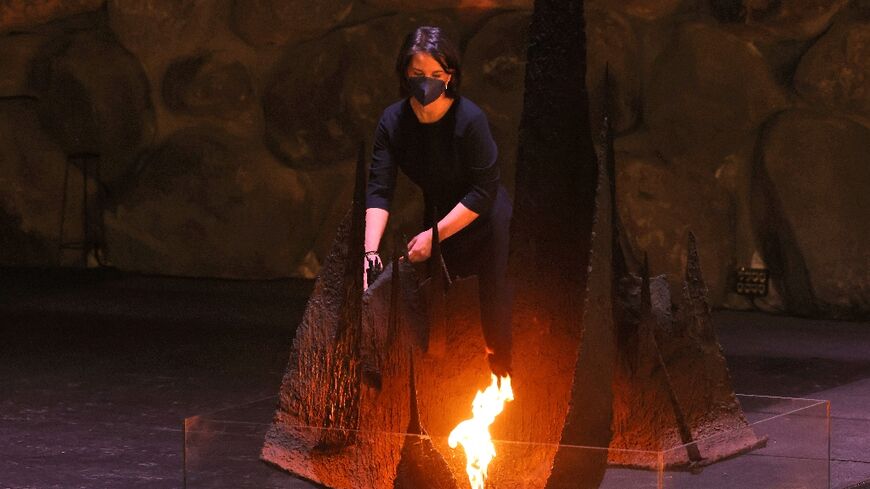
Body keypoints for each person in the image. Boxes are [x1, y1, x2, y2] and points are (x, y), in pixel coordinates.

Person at [363, 26, 513, 378]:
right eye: (417, 74)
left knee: (495, 318)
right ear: (404, 73)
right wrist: (368, 252)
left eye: (436, 74)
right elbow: (380, 190)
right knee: (443, 319)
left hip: (485, 221)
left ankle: (505, 385)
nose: (426, 82)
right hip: (439, 219)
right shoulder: (393, 122)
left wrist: (434, 237)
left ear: (451, 76)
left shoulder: (470, 119)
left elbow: (484, 189)